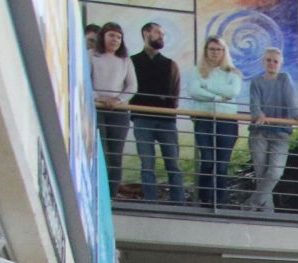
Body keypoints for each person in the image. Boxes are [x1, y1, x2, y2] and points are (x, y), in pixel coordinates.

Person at [128, 22, 185, 204]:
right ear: (146, 33)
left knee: (173, 164)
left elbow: (175, 93)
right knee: (147, 164)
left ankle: (179, 202)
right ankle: (150, 201)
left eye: (162, 33)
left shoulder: (170, 64)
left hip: (166, 120)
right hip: (142, 119)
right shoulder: (132, 62)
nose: (161, 36)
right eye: (157, 32)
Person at [187, 36, 242, 211]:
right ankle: (205, 198)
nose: (215, 53)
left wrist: (206, 87)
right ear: (206, 51)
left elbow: (233, 91)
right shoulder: (197, 71)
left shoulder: (232, 72)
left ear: (224, 52)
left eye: (219, 49)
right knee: (208, 160)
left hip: (227, 121)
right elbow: (194, 91)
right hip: (204, 119)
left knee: (222, 163)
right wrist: (218, 97)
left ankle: (220, 201)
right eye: (212, 49)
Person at [243, 47, 297, 214]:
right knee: (262, 175)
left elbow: (291, 102)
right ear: (263, 62)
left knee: (274, 172)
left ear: (280, 64)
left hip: (280, 133)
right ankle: (269, 215)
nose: (272, 64)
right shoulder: (256, 82)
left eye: (275, 61)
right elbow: (255, 105)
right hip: (259, 132)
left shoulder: (284, 79)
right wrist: (258, 114)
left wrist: (297, 116)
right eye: (269, 60)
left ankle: (250, 205)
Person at [91, 24, 137, 181]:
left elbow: (132, 86)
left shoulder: (125, 60)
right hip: (97, 108)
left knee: (115, 154)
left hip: (118, 111)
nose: (115, 39)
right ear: (103, 36)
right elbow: (84, 81)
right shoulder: (91, 55)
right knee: (100, 150)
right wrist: (97, 97)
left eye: (118, 37)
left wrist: (119, 99)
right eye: (111, 35)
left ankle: (112, 192)